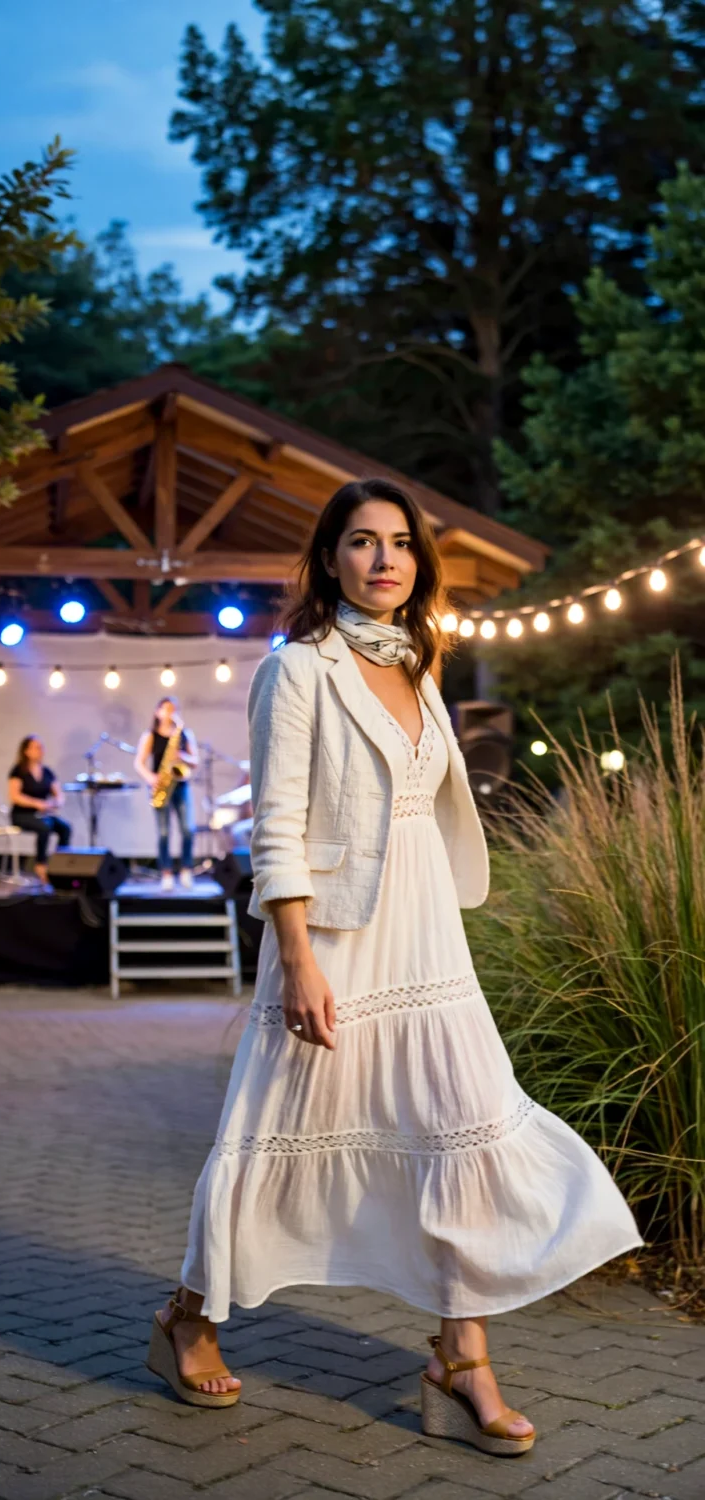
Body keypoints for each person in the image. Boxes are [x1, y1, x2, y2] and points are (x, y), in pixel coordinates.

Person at [146, 478, 642, 1452]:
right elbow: (277, 825)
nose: (384, 560)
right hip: (330, 937)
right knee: (279, 1126)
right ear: (328, 558)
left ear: (419, 562)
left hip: (426, 933)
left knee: (459, 1123)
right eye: (363, 543)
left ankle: (461, 1359)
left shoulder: (418, 665)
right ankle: (186, 1318)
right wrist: (295, 959)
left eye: (400, 544)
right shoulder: (298, 670)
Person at [134, 697, 199, 892]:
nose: (170, 712)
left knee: (188, 829)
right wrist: (151, 778)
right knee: (163, 833)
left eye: (173, 709)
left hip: (180, 785)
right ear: (157, 712)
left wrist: (183, 757)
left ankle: (186, 869)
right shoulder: (150, 736)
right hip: (160, 786)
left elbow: (195, 760)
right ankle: (166, 873)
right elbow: (139, 762)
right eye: (166, 708)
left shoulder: (184, 734)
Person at [7, 736, 71, 889]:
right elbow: (15, 796)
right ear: (26, 751)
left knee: (65, 828)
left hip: (44, 814)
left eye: (41, 747)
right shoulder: (18, 771)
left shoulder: (47, 772)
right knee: (44, 827)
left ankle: (60, 865)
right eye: (36, 747)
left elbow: (59, 795)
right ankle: (40, 867)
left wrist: (55, 803)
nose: (40, 751)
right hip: (22, 814)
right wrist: (37, 803)